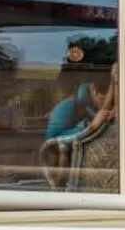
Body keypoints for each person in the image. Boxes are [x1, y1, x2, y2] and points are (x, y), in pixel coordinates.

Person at [41, 44, 118, 189]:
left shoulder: (93, 102)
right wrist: (92, 126)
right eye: (103, 98)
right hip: (65, 158)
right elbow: (53, 145)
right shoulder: (73, 105)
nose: (106, 102)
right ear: (94, 90)